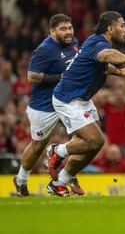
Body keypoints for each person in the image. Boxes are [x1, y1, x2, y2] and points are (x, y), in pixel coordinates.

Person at [46, 11, 125, 197]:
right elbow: (106, 55)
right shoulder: (100, 44)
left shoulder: (95, 43)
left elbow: (102, 64)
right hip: (68, 99)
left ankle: (61, 181)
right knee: (95, 140)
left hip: (82, 100)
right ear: (110, 28)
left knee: (95, 145)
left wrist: (120, 72)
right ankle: (56, 150)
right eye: (122, 25)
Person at [13, 14, 84, 197]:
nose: (68, 32)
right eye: (63, 29)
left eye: (69, 28)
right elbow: (32, 77)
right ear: (52, 32)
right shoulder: (44, 50)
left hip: (67, 101)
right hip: (43, 106)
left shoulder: (74, 42)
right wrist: (60, 78)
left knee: (85, 134)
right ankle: (21, 180)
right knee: (38, 146)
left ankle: (67, 174)